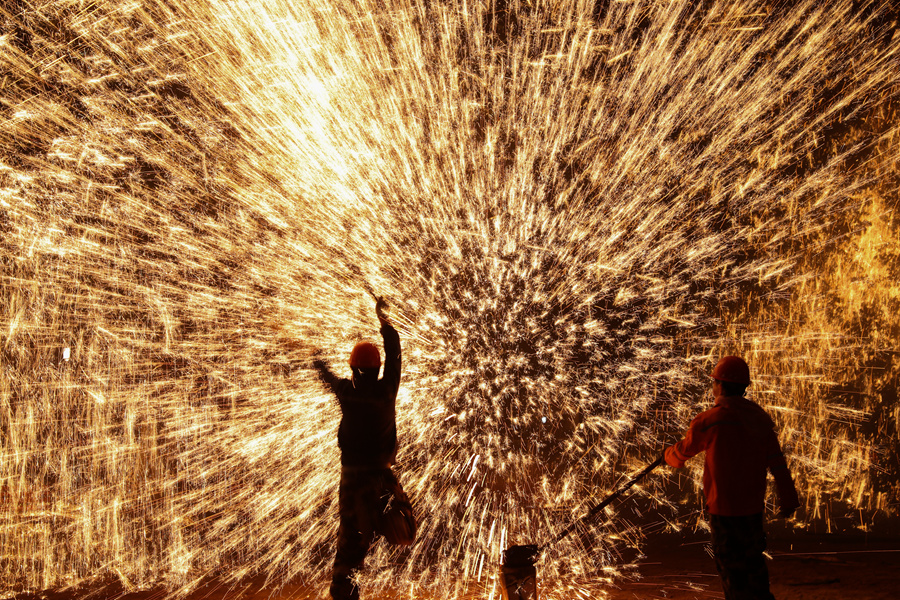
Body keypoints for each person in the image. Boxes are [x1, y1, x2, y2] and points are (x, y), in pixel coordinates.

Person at [664, 355, 800, 600]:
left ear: (720, 385)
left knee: (730, 569)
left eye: (714, 381)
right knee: (753, 566)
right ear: (744, 386)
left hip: (723, 511)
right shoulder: (760, 420)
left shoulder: (708, 421)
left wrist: (668, 455)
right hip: (751, 510)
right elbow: (778, 466)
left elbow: (683, 452)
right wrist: (788, 499)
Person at [312, 296, 416, 600]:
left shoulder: (348, 393)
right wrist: (385, 322)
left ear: (353, 370)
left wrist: (315, 359)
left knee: (349, 558)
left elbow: (328, 378)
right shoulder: (387, 391)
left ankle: (346, 592)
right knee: (402, 525)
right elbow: (395, 355)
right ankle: (389, 522)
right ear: (376, 369)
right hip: (383, 482)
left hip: (355, 484)